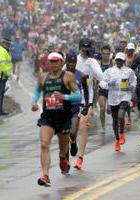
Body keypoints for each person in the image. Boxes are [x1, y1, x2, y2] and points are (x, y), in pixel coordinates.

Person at [31, 52, 81, 187]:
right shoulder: (42, 77)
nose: (53, 64)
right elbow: (37, 91)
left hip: (64, 117)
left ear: (62, 63)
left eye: (56, 62)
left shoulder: (68, 76)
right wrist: (34, 102)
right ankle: (45, 176)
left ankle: (63, 157)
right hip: (48, 118)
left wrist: (64, 97)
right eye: (50, 62)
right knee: (44, 144)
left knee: (63, 147)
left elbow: (78, 96)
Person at [74, 38, 103, 170]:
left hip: (87, 99)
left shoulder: (92, 62)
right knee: (71, 130)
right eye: (84, 50)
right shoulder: (73, 61)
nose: (86, 52)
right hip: (72, 99)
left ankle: (80, 157)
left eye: (88, 50)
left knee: (84, 127)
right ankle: (73, 142)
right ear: (80, 48)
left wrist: (93, 66)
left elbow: (100, 76)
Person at [100, 52, 137, 152]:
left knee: (121, 116)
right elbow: (102, 82)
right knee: (115, 120)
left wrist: (132, 86)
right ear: (115, 61)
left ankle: (121, 134)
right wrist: (108, 84)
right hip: (113, 98)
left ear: (124, 61)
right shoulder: (109, 71)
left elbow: (134, 80)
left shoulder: (129, 71)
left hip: (125, 96)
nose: (119, 62)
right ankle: (117, 140)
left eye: (121, 60)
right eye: (117, 60)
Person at [98, 45, 112, 133]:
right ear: (101, 54)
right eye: (104, 54)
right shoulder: (98, 64)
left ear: (109, 54)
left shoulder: (113, 63)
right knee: (102, 108)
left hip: (112, 90)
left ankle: (116, 123)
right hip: (102, 89)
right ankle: (103, 127)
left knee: (110, 110)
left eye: (107, 54)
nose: (105, 55)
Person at [0, 36, 13, 116]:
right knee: (0, 94)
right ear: (3, 43)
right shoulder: (2, 51)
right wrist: (8, 75)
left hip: (3, 76)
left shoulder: (4, 50)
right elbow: (3, 65)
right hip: (1, 76)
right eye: (7, 44)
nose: (8, 45)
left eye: (9, 44)